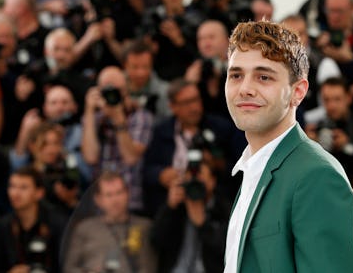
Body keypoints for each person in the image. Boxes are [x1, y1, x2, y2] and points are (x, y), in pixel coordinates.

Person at [223, 20, 353, 272]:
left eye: (263, 76)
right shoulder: (253, 168)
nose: (245, 89)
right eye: (236, 75)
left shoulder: (316, 176)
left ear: (298, 92)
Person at [142, 78, 244, 217]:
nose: (194, 107)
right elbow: (146, 170)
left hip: (214, 209)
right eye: (186, 103)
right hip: (174, 206)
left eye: (196, 100)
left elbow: (240, 171)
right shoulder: (162, 131)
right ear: (173, 107)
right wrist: (161, 175)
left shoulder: (222, 129)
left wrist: (218, 164)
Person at [82, 66, 153, 213]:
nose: (111, 95)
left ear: (126, 90)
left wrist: (119, 121)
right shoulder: (93, 118)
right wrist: (89, 111)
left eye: (117, 90)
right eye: (107, 90)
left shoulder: (140, 117)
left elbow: (130, 157)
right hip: (100, 204)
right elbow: (90, 157)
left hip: (131, 201)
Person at [63, 172, 156, 273]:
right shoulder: (84, 228)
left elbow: (148, 267)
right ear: (98, 200)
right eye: (109, 195)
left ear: (127, 194)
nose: (115, 200)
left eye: (119, 192)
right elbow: (69, 268)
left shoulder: (144, 226)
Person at [151, 155, 231, 273]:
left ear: (212, 182)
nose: (195, 182)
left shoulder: (224, 209)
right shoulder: (177, 206)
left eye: (200, 177)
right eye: (191, 177)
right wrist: (169, 208)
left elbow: (227, 251)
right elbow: (156, 241)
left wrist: (203, 225)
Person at [0, 166, 67, 273]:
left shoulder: (58, 224)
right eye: (12, 186)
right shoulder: (3, 226)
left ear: (39, 193)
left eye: (23, 188)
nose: (15, 193)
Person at [123, 39, 171, 123]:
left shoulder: (165, 91)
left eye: (145, 67)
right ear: (125, 66)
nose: (140, 73)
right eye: (135, 67)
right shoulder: (115, 86)